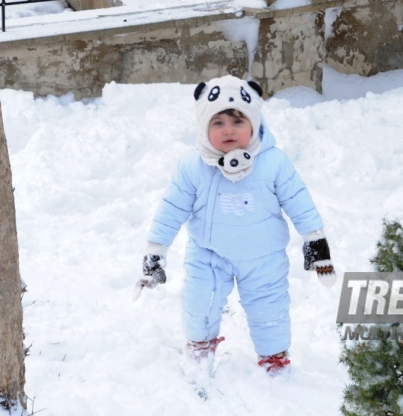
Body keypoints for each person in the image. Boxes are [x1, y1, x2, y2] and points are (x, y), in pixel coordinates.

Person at [135, 74, 335, 379]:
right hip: (208, 254)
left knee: (270, 308)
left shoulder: (273, 163)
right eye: (218, 123)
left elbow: (298, 200)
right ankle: (200, 347)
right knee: (200, 300)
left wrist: (315, 240)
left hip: (263, 256)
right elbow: (172, 208)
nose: (228, 130)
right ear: (204, 127)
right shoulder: (193, 166)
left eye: (238, 121)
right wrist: (156, 249)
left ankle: (274, 358)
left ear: (254, 123)